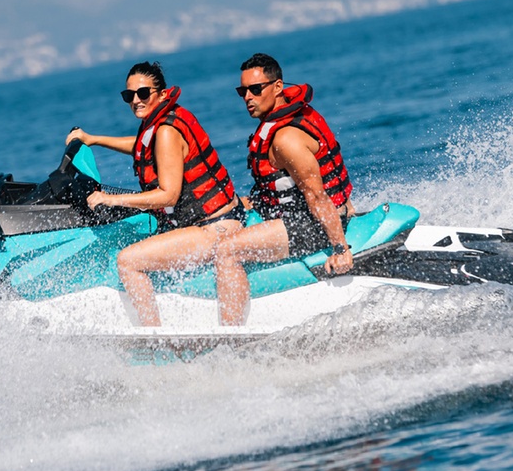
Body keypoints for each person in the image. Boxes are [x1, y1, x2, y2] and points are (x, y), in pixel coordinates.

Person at [66, 61, 245, 327]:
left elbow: (168, 196)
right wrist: (94, 139)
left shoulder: (166, 131)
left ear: (161, 94)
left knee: (127, 261)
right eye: (129, 96)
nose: (136, 100)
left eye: (143, 93)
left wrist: (111, 199)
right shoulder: (161, 122)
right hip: (214, 219)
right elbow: (142, 147)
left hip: (215, 228)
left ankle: (155, 340)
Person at [215, 53, 355, 326]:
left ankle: (230, 334)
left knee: (226, 250)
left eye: (256, 89)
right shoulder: (283, 120)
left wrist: (340, 249)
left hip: (312, 224)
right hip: (301, 214)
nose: (248, 97)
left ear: (278, 87)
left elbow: (317, 196)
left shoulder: (286, 139)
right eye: (242, 91)